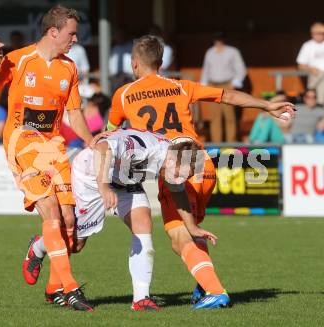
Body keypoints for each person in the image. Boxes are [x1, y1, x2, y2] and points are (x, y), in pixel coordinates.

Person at [107, 35, 295, 309]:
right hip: (204, 166)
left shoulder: (123, 94)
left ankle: (216, 290)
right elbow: (227, 96)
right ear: (161, 63)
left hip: (175, 170)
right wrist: (266, 106)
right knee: (188, 234)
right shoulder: (182, 87)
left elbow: (111, 134)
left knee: (179, 236)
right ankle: (204, 284)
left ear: (134, 64)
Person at [0, 5, 94, 312]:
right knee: (52, 216)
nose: (75, 39)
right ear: (53, 32)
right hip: (22, 143)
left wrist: (91, 140)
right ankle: (70, 289)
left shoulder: (69, 68)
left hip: (54, 145)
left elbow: (75, 113)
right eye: (71, 33)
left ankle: (47, 271)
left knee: (72, 229)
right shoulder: (18, 60)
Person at [24, 128, 218, 310]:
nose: (177, 180)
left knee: (143, 223)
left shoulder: (173, 164)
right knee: (75, 244)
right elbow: (103, 147)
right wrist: (104, 187)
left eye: (183, 177)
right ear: (173, 158)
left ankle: (141, 299)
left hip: (125, 181)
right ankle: (39, 246)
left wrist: (192, 227)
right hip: (93, 176)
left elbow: (178, 192)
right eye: (177, 174)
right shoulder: (145, 149)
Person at [200, 33, 247, 142]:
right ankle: (216, 145)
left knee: (229, 117)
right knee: (214, 118)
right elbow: (206, 70)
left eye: (219, 39)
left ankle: (231, 144)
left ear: (223, 40)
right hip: (212, 86)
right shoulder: (210, 52)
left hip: (227, 85)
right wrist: (203, 86)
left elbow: (241, 69)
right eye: (216, 39)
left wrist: (235, 82)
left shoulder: (233, 51)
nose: (218, 41)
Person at [297, 22, 324, 105]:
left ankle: (309, 93)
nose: (320, 35)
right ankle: (319, 103)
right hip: (314, 74)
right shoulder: (307, 46)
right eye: (317, 33)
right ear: (312, 34)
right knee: (321, 75)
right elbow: (300, 65)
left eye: (322, 33)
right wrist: (310, 69)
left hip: (318, 78)